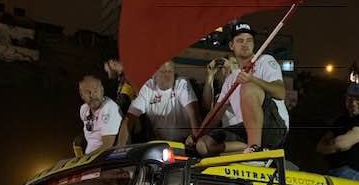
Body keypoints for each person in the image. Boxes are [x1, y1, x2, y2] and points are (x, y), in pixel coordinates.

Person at [193, 21, 288, 155]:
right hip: (246, 129)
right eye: (240, 40)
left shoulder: (265, 61)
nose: (245, 44)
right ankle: (249, 149)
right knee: (203, 144)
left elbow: (280, 93)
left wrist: (253, 79)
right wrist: (196, 136)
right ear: (231, 45)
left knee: (248, 86)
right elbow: (215, 114)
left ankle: (254, 152)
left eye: (249, 40)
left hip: (273, 128)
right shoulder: (231, 79)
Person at [118, 60, 200, 145]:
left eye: (170, 71)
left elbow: (193, 112)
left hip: (185, 142)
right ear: (154, 75)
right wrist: (120, 148)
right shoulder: (147, 88)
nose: (167, 75)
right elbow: (129, 119)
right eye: (163, 72)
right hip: (160, 144)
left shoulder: (181, 83)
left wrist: (195, 137)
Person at [317, 83, 359, 183]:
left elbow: (340, 144)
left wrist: (333, 143)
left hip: (356, 176)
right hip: (334, 172)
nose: (353, 103)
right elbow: (320, 147)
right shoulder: (340, 120)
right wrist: (336, 144)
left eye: (358, 100)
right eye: (350, 99)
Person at [74, 75, 122, 157]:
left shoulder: (109, 108)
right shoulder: (84, 109)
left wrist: (84, 160)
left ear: (102, 90)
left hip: (104, 159)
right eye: (87, 92)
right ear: (81, 95)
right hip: (89, 156)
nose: (92, 95)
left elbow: (107, 147)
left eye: (95, 90)